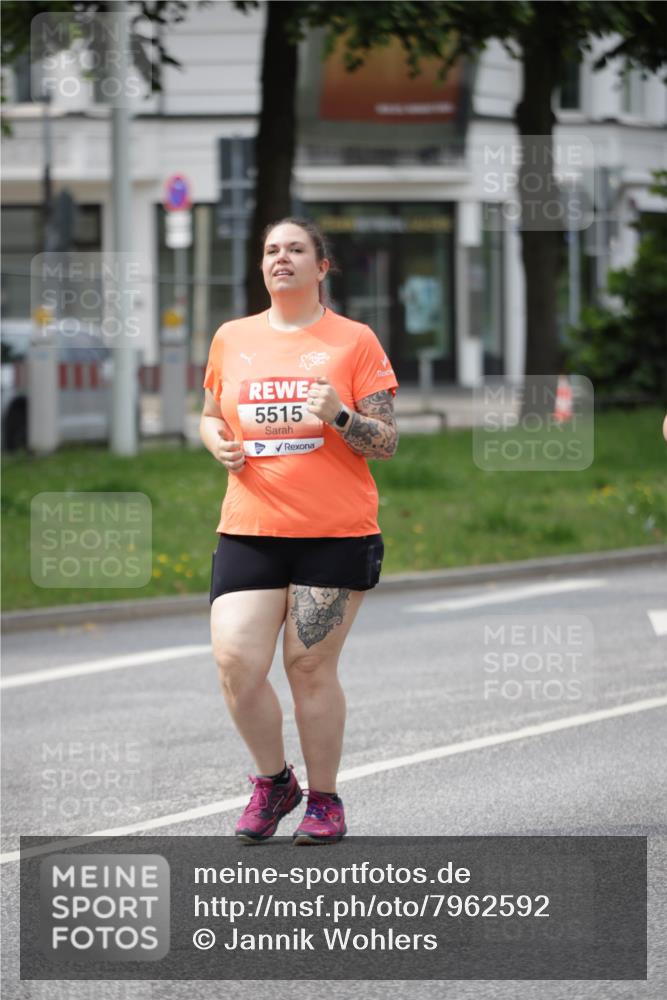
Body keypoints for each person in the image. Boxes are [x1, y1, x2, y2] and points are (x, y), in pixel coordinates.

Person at [199, 218, 398, 845]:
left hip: (334, 533)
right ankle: (273, 781)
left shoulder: (354, 341)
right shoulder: (232, 338)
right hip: (251, 526)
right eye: (270, 251)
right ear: (262, 267)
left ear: (322, 267)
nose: (280, 258)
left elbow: (386, 441)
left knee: (308, 667)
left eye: (295, 249)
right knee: (235, 660)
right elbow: (208, 415)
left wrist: (339, 414)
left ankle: (325, 801)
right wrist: (218, 444)